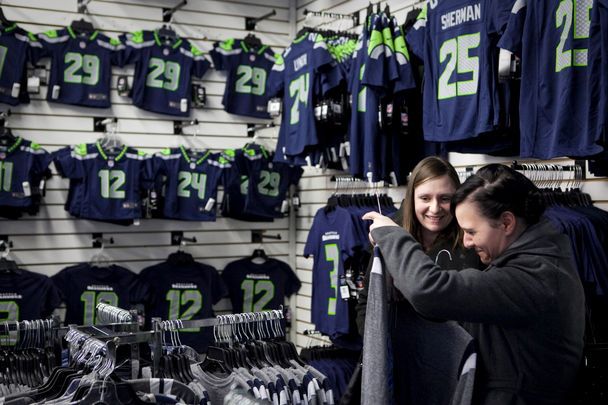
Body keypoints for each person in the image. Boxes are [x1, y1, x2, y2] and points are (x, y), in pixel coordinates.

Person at [363, 164, 586, 405]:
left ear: (507, 223)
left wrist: (392, 235)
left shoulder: (533, 276)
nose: (467, 242)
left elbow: (428, 290)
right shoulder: (536, 260)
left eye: (471, 231)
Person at [354, 156, 481, 405]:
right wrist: (380, 354)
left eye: (445, 198)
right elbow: (366, 304)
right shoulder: (388, 238)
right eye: (425, 198)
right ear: (412, 198)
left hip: (452, 371)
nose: (435, 208)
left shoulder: (471, 242)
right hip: (399, 370)